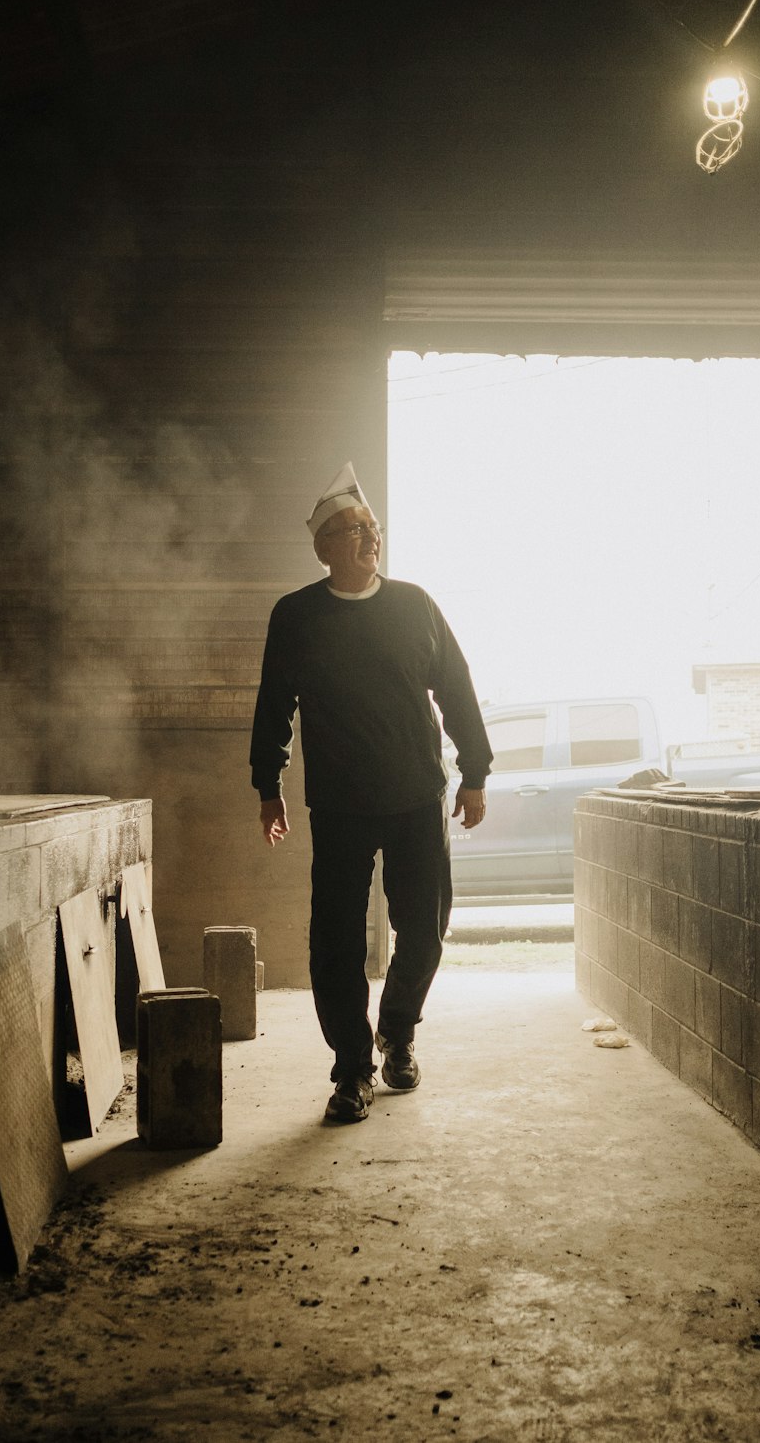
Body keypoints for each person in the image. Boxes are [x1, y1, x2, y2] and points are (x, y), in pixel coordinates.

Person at [249, 462, 493, 1123]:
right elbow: (275, 705)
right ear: (325, 547)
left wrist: (475, 770)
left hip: (416, 795)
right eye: (354, 531)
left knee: (424, 931)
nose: (369, 539)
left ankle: (398, 1034)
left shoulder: (415, 606)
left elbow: (457, 688)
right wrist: (267, 786)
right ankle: (351, 1068)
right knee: (334, 942)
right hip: (339, 804)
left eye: (373, 528)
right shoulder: (296, 616)